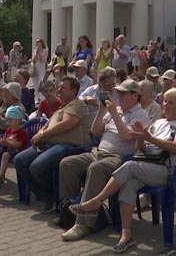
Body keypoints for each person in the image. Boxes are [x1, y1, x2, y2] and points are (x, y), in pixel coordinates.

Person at [68, 88, 176, 254]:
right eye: (164, 100)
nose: (165, 104)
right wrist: (140, 138)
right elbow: (141, 150)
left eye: (170, 102)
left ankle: (96, 202)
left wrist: (150, 139)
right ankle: (126, 235)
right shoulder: (159, 123)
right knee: (128, 184)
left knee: (130, 167)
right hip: (150, 167)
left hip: (172, 173)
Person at [58, 79, 149, 241]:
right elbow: (95, 130)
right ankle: (69, 210)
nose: (119, 96)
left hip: (119, 158)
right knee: (67, 163)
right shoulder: (116, 109)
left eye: (123, 93)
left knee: (96, 168)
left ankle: (84, 223)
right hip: (98, 152)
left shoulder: (141, 114)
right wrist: (102, 109)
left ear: (135, 95)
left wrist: (114, 113)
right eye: (118, 93)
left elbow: (126, 136)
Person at [14, 77, 91, 213]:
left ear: (74, 91)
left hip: (68, 146)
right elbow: (47, 125)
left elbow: (67, 124)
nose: (59, 90)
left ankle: (54, 196)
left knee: (37, 167)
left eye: (63, 88)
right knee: (19, 160)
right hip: (49, 144)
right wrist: (41, 133)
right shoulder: (61, 108)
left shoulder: (77, 104)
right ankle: (46, 196)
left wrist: (43, 135)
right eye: (59, 87)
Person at [0, 105, 29, 190]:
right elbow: (6, 140)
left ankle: (0, 177)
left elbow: (18, 145)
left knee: (5, 155)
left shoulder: (22, 132)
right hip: (8, 148)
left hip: (17, 150)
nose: (8, 123)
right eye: (7, 120)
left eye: (10, 120)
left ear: (18, 120)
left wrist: (7, 143)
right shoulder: (9, 130)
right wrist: (1, 141)